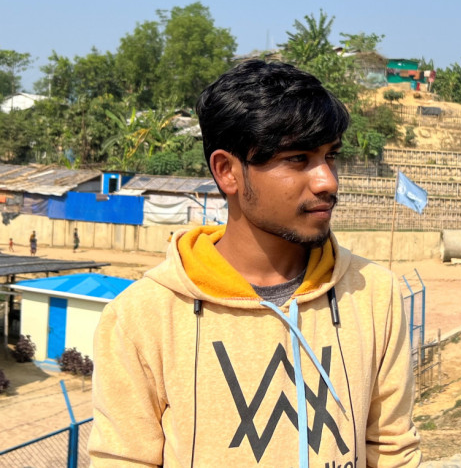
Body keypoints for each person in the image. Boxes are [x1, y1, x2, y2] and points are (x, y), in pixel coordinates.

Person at [89, 60, 421, 467]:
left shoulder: (374, 294)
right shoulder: (143, 315)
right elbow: (123, 458)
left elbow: (392, 450)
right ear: (227, 171)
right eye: (298, 159)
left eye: (330, 156)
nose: (327, 181)